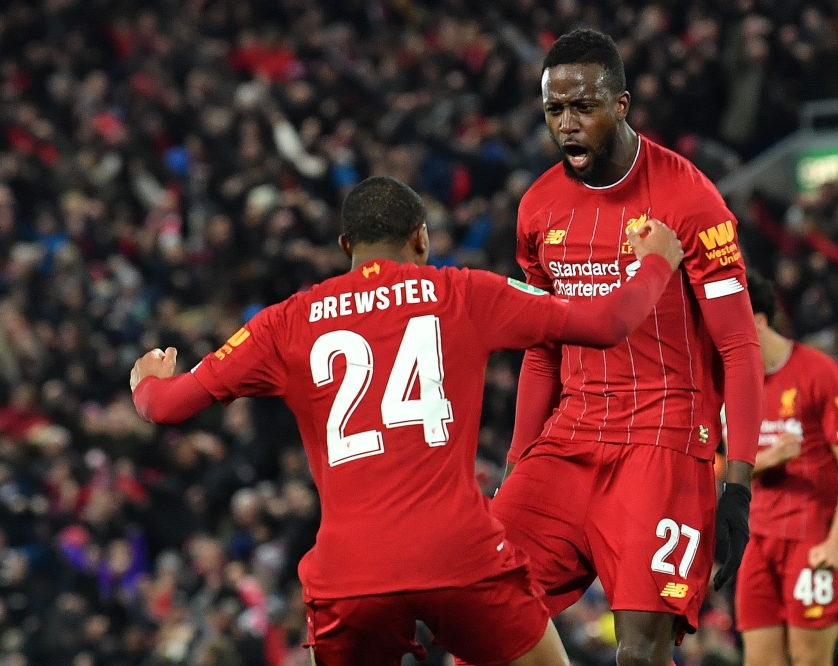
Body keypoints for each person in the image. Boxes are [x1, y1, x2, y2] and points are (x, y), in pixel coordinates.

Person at [128, 175, 686, 666]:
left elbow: (165, 407)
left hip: (350, 572)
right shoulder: (463, 291)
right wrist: (657, 261)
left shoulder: (285, 323)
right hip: (460, 556)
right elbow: (608, 322)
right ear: (421, 237)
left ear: (346, 246)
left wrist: (147, 381)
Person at [466, 29, 765, 666]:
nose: (567, 124)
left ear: (621, 105)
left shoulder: (690, 199)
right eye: (555, 110)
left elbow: (740, 348)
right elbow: (542, 350)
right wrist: (519, 465)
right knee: (482, 618)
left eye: (583, 107)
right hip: (571, 438)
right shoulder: (538, 208)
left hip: (664, 440)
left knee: (639, 654)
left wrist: (737, 486)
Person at [734, 272, 838, 666]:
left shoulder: (818, 372)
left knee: (810, 661)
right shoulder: (730, 382)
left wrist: (836, 541)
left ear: (759, 321)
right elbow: (723, 472)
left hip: (811, 539)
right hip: (757, 541)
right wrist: (769, 459)